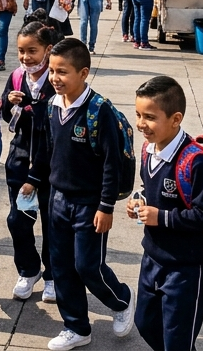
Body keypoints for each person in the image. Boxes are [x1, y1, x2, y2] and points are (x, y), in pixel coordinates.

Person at [42, 38, 134, 350]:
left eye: (62, 72)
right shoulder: (53, 105)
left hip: (90, 204)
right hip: (58, 200)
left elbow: (111, 164)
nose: (55, 77)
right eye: (52, 70)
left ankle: (121, 300)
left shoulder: (99, 111)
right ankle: (76, 327)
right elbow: (49, 152)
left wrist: (106, 206)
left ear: (83, 73)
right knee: (62, 265)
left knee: (87, 266)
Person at [126, 75, 203, 351]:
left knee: (178, 340)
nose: (141, 124)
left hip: (186, 267)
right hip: (153, 258)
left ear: (176, 118)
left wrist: (162, 217)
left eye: (150, 117)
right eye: (138, 115)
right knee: (145, 323)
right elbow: (150, 188)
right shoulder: (148, 149)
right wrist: (138, 201)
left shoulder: (195, 161)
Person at [4, 18, 62, 305]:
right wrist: (10, 103)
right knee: (18, 220)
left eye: (32, 51)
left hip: (49, 166)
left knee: (52, 225)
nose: (26, 58)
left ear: (48, 50)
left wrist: (33, 106)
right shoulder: (16, 76)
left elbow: (55, 129)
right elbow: (7, 117)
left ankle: (52, 275)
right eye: (21, 51)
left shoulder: (56, 81)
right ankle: (28, 270)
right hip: (19, 158)